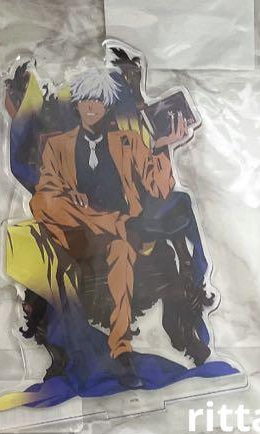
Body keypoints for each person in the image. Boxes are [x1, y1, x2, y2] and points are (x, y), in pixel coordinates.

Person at [30, 67, 193, 374]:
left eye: (98, 100)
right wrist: (69, 194)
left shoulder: (129, 141)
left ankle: (121, 348)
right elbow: (45, 194)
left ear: (107, 105)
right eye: (85, 100)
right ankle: (117, 223)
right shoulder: (57, 146)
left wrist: (162, 147)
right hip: (78, 235)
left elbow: (159, 188)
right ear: (77, 104)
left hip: (117, 240)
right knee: (41, 202)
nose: (91, 106)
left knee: (121, 253)